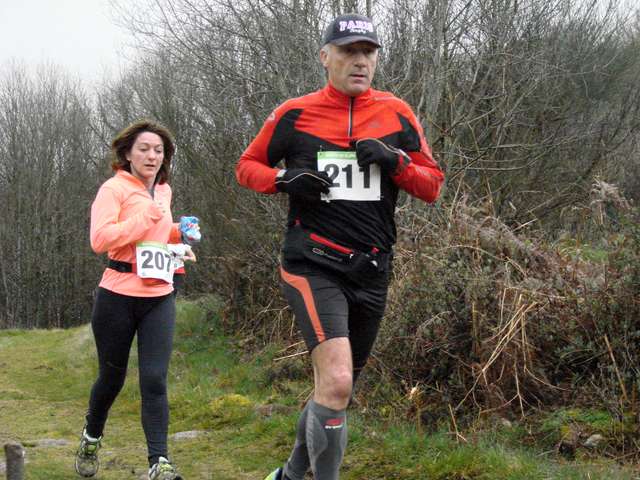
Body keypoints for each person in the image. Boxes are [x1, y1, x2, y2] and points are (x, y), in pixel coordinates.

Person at [236, 12, 445, 480]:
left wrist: (395, 162)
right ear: (325, 57)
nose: (360, 61)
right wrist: (284, 179)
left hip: (371, 269)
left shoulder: (396, 112)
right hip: (312, 263)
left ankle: (289, 475)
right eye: (349, 51)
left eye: (368, 52)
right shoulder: (294, 113)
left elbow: (432, 184)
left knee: (336, 392)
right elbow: (246, 166)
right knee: (337, 381)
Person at [75, 120, 198, 480]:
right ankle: (91, 437)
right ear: (128, 153)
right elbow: (101, 240)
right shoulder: (113, 189)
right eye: (144, 149)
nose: (151, 156)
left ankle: (159, 462)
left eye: (159, 150)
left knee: (155, 380)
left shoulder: (164, 190)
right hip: (117, 296)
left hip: (159, 295)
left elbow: (156, 236)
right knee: (111, 378)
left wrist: (178, 234)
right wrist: (146, 217)